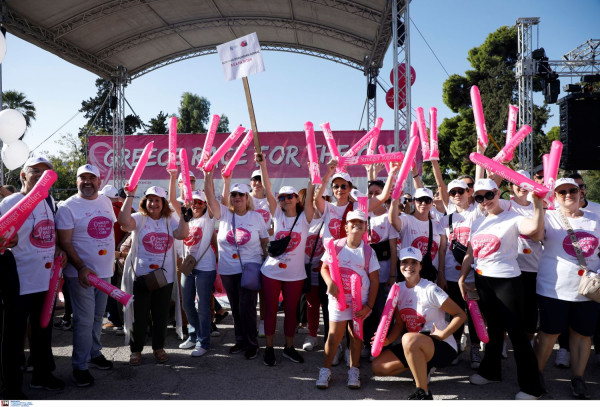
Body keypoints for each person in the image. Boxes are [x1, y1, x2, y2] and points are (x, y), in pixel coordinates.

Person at [458, 178, 546, 400]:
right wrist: (463, 276)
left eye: (489, 195)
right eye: (479, 197)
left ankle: (532, 387)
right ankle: (490, 371)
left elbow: (534, 230)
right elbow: (471, 251)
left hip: (507, 281)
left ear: (498, 193)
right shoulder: (478, 222)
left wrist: (538, 205)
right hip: (482, 280)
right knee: (494, 330)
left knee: (516, 333)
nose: (485, 201)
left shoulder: (513, 218)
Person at [0, 157, 67, 392]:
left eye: (46, 172)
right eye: (34, 171)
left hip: (43, 280)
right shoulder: (10, 202)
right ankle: (11, 387)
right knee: (13, 336)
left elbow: (49, 234)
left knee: (42, 330)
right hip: (17, 279)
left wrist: (58, 248)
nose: (40, 175)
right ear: (22, 176)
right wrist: (7, 240)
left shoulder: (48, 202)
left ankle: (42, 375)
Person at [533, 178, 600, 399]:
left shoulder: (596, 218)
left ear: (581, 192)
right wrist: (537, 206)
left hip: (588, 289)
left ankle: (578, 378)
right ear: (555, 196)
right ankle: (537, 375)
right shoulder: (548, 216)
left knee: (582, 335)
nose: (568, 195)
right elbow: (534, 235)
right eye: (561, 192)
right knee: (549, 333)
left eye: (573, 190)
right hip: (554, 289)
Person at [371, 247, 466, 400]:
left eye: (414, 262)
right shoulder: (398, 289)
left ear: (421, 266)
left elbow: (460, 314)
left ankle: (423, 392)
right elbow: (399, 324)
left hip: (440, 343)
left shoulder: (430, 289)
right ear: (399, 265)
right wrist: (387, 340)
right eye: (405, 262)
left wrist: (444, 334)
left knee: (408, 338)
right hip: (414, 343)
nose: (409, 266)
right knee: (379, 367)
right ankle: (422, 366)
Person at [56, 164, 117, 387]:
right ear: (76, 181)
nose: (88, 181)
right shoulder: (67, 207)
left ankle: (94, 353)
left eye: (92, 177)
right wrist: (81, 267)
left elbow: (109, 230)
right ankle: (79, 366)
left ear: (99, 182)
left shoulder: (105, 202)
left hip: (105, 273)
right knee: (83, 321)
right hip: (81, 274)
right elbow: (64, 242)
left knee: (96, 318)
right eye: (83, 177)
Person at [118, 182, 188, 366]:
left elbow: (181, 235)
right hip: (141, 277)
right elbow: (124, 222)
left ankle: (158, 347)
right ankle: (136, 350)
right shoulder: (139, 218)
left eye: (157, 200)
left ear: (163, 203)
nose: (153, 204)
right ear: (144, 202)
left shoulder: (170, 219)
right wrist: (129, 196)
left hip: (164, 277)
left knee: (161, 315)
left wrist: (185, 219)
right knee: (139, 316)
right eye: (150, 200)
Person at [203, 168, 269, 360]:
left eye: (241, 194)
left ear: (247, 197)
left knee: (247, 307)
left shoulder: (256, 217)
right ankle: (240, 341)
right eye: (234, 194)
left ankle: (251, 344)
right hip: (228, 270)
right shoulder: (223, 213)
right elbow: (209, 197)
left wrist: (267, 262)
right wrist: (208, 174)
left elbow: (265, 241)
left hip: (250, 268)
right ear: (230, 198)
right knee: (235, 306)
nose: (237, 197)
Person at [316, 210, 380, 390]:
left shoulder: (368, 251)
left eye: (361, 222)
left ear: (365, 228)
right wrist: (329, 283)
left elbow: (374, 279)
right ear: (346, 227)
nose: (356, 225)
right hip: (338, 299)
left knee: (356, 336)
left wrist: (369, 306)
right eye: (353, 222)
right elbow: (324, 268)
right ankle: (325, 370)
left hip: (360, 301)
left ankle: (354, 370)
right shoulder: (335, 246)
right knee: (334, 336)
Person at [261, 183, 314, 366]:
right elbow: (268, 190)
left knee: (292, 312)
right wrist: (262, 165)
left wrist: (311, 176)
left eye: (289, 196)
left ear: (297, 198)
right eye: (282, 197)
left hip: (295, 274)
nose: (285, 200)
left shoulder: (305, 218)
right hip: (271, 272)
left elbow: (311, 191)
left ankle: (289, 348)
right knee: (270, 311)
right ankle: (269, 349)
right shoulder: (277, 214)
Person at [439, 179, 481, 368]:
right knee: (455, 313)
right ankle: (455, 347)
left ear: (469, 192)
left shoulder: (477, 213)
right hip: (450, 275)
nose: (457, 194)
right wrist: (440, 274)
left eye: (461, 191)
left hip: (473, 275)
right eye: (453, 192)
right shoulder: (445, 219)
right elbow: (441, 249)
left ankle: (474, 348)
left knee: (474, 314)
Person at [177, 190, 217, 357]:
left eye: (200, 202)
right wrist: (173, 178)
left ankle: (203, 342)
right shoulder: (186, 220)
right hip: (188, 267)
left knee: (202, 306)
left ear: (205, 205)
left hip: (205, 268)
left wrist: (208, 174)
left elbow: (211, 195)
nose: (196, 205)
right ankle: (194, 335)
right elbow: (173, 200)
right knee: (186, 303)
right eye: (193, 202)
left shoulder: (208, 218)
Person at [509, 171, 542, 342]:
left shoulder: (537, 205)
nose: (521, 187)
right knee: (510, 306)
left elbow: (540, 235)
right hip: (511, 265)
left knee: (530, 308)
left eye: (525, 183)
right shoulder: (506, 205)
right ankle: (506, 341)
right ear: (511, 186)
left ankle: (527, 342)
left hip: (533, 266)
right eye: (517, 183)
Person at [389, 187, 447, 285]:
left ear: (432, 202)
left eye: (427, 200)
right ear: (414, 201)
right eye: (420, 200)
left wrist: (441, 274)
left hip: (430, 276)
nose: (423, 203)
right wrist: (395, 199)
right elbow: (393, 220)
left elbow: (442, 251)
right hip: (409, 275)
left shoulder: (437, 224)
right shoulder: (406, 220)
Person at [99, 184, 127, 335]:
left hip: (114, 255)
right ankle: (119, 319)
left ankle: (115, 319)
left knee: (111, 288)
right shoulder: (127, 210)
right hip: (125, 256)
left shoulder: (110, 212)